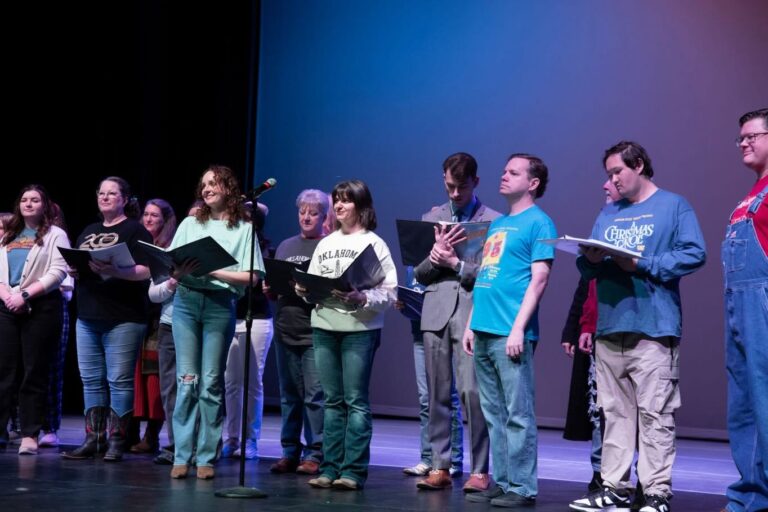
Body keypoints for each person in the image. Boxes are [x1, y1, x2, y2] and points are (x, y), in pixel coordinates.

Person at [569, 142, 706, 512]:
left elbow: (695, 253)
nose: (612, 180)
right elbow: (588, 271)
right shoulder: (608, 212)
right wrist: (590, 260)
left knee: (655, 412)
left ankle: (656, 492)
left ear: (639, 165)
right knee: (614, 413)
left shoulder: (673, 206)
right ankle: (614, 487)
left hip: (653, 326)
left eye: (618, 171)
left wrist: (642, 264)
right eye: (609, 174)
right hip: (611, 325)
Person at [461, 154, 556, 507]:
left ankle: (522, 487)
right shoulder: (498, 224)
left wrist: (519, 329)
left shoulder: (540, 223)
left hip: (510, 333)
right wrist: (471, 324)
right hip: (484, 328)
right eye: (504, 171)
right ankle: (502, 481)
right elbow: (485, 276)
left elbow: (539, 279)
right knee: (493, 413)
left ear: (533, 183)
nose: (504, 176)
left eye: (513, 173)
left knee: (518, 413)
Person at [296, 179, 397, 490]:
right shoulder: (326, 243)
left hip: (358, 330)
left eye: (346, 200)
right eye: (336, 200)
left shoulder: (374, 243)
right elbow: (315, 285)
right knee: (332, 401)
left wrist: (362, 297)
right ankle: (330, 467)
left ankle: (352, 471)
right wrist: (304, 289)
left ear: (361, 205)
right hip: (324, 326)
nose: (338, 205)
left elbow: (390, 291)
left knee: (355, 401)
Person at [168, 165, 264, 480]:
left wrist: (213, 271)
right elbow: (171, 265)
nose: (207, 188)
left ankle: (206, 456)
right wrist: (179, 272)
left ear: (228, 188)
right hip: (186, 301)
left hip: (219, 305)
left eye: (214, 183)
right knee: (187, 380)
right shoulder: (190, 223)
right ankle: (182, 455)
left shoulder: (244, 229)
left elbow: (253, 276)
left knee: (210, 382)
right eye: (204, 184)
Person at [414, 152, 499, 492]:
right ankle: (440, 464)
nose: (455, 193)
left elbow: (492, 275)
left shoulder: (493, 221)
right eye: (450, 186)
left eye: (461, 187)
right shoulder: (431, 217)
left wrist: (455, 263)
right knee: (436, 392)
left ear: (475, 182)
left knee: (471, 392)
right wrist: (435, 258)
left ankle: (480, 469)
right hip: (435, 311)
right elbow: (420, 274)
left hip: (471, 312)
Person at [61, 177, 152, 462]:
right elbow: (82, 263)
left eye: (112, 193)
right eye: (101, 193)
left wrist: (115, 271)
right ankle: (93, 439)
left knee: (119, 380)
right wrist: (76, 269)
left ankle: (116, 440)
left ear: (124, 199)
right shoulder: (89, 230)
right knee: (90, 380)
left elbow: (147, 270)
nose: (105, 197)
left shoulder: (135, 230)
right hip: (88, 314)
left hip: (123, 316)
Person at [561, 179, 622, 492]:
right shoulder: (604, 223)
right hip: (595, 331)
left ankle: (630, 477)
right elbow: (587, 285)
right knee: (598, 406)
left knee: (624, 409)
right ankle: (601, 472)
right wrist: (578, 327)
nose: (605, 185)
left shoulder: (639, 225)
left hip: (625, 328)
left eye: (614, 176)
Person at [0, 185, 70, 455]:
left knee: (34, 372)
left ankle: (30, 434)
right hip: (7, 305)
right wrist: (8, 295)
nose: (28, 204)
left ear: (44, 205)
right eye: (24, 200)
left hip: (41, 307)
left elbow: (58, 271)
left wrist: (25, 295)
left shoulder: (55, 234)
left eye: (35, 200)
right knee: (4, 371)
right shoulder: (9, 234)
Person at [722, 108, 768, 512]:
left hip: (762, 301)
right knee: (745, 402)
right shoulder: (749, 197)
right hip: (739, 303)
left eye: (752, 136)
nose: (744, 143)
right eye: (741, 138)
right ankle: (751, 495)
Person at [267, 189, 328, 475]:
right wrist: (270, 288)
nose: (306, 217)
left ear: (324, 217)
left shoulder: (327, 246)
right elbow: (276, 288)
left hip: (313, 330)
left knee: (314, 395)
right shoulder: (285, 245)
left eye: (313, 213)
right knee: (289, 394)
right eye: (302, 212)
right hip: (285, 327)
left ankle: (315, 452)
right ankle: (289, 451)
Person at [399, 265, 465, 478]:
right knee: (426, 398)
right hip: (420, 334)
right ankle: (428, 458)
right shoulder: (413, 266)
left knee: (447, 397)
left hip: (445, 333)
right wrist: (403, 306)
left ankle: (452, 459)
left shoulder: (447, 258)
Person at [221, 203, 274, 461]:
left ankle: (250, 440)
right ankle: (231, 437)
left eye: (247, 218)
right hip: (230, 316)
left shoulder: (264, 250)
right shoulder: (229, 245)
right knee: (231, 382)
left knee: (252, 381)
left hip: (258, 318)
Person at [130, 199, 177, 454]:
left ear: (165, 220)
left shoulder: (168, 247)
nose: (148, 219)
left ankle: (152, 435)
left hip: (160, 317)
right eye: (146, 214)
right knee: (135, 375)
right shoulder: (137, 244)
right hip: (135, 312)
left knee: (155, 376)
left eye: (154, 216)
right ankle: (129, 432)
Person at [38, 202, 75, 448]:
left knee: (50, 369)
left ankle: (49, 426)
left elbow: (66, 289)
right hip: (23, 306)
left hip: (52, 305)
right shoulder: (24, 241)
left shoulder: (59, 240)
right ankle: (20, 424)